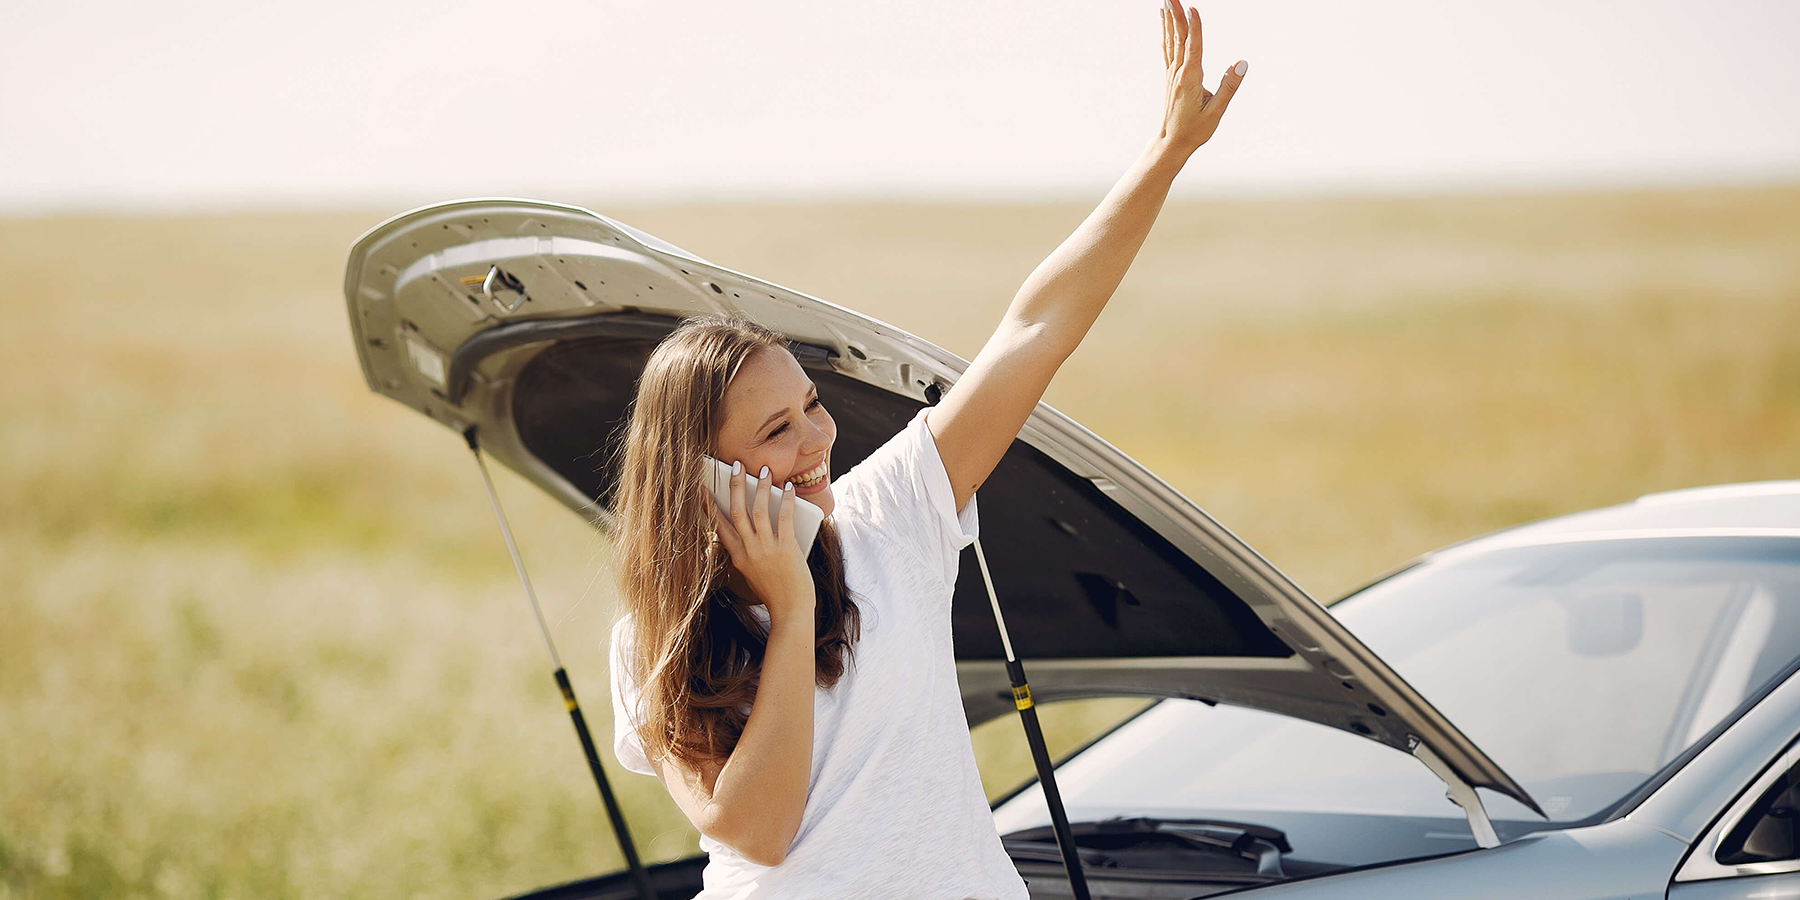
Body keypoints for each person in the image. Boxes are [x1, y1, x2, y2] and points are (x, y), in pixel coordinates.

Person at [607, 4, 1246, 896]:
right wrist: (791, 610)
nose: (817, 439)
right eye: (776, 430)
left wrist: (1166, 154)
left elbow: (1034, 329)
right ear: (699, 476)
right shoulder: (654, 637)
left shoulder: (893, 515)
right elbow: (757, 830)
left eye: (812, 405)